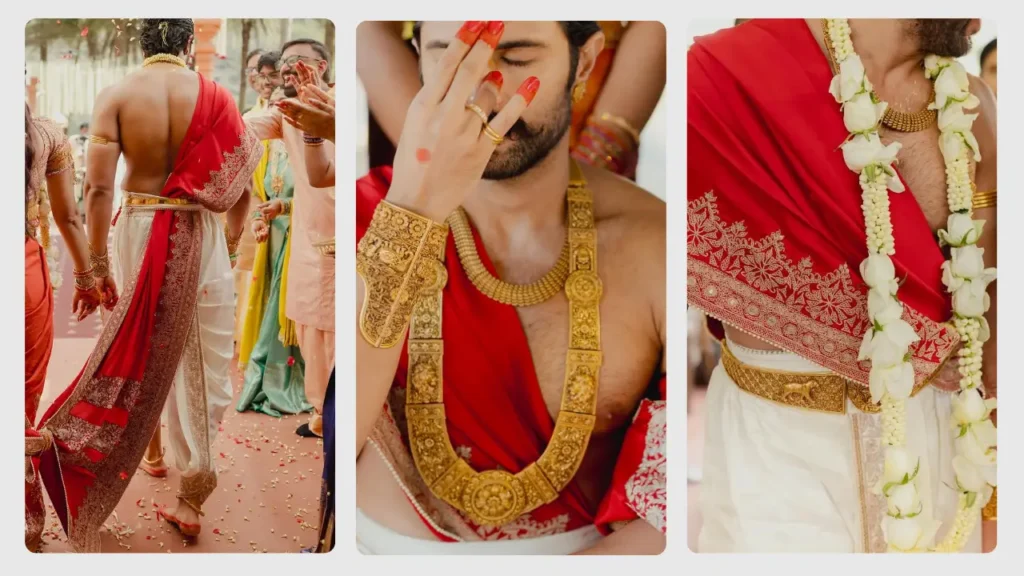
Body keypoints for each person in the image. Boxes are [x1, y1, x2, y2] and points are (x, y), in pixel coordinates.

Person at [355, 21, 666, 555]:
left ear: (584, 63)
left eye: (518, 58)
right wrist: (413, 212)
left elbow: (666, 515)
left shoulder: (652, 243)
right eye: (452, 58)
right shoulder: (362, 215)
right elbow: (330, 438)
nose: (486, 95)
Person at [688, 18, 997, 553]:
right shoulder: (725, 74)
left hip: (940, 431)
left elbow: (997, 286)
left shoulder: (971, 104)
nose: (978, 16)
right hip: (777, 440)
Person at [25, 19, 262, 551]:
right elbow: (243, 180)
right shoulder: (217, 96)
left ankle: (149, 453)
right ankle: (192, 496)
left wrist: (98, 264)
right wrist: (229, 238)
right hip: (198, 232)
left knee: (135, 346)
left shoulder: (118, 96)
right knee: (201, 358)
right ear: (185, 45)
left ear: (143, 46)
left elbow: (99, 187)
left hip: (137, 226)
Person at [356, 20, 665, 179]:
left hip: (596, 103)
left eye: (517, 58)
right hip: (415, 92)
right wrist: (432, 148)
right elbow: (368, 25)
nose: (490, 96)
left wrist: (601, 151)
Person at [245, 39, 336, 439]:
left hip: (341, 235)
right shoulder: (283, 112)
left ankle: (338, 415)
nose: (287, 69)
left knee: (337, 330)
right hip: (304, 237)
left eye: (297, 62)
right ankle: (321, 411)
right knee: (308, 326)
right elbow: (242, 129)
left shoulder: (338, 106)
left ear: (323, 65)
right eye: (284, 63)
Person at [24, 106, 104, 552]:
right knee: (22, 395)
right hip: (23, 268)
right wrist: (88, 279)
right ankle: (23, 522)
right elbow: (67, 216)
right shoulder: (48, 135)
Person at [236, 84, 311, 418]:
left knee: (285, 317)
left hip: (300, 239)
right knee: (266, 306)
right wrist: (258, 219)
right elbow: (255, 189)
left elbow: (325, 197)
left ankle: (286, 382)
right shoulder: (267, 146)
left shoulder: (313, 146)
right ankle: (262, 380)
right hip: (272, 239)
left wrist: (285, 207)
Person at [235, 52, 286, 350]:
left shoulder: (290, 113)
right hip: (253, 202)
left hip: (283, 206)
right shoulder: (247, 117)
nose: (266, 81)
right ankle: (247, 339)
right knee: (248, 276)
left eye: (272, 75)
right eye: (259, 74)